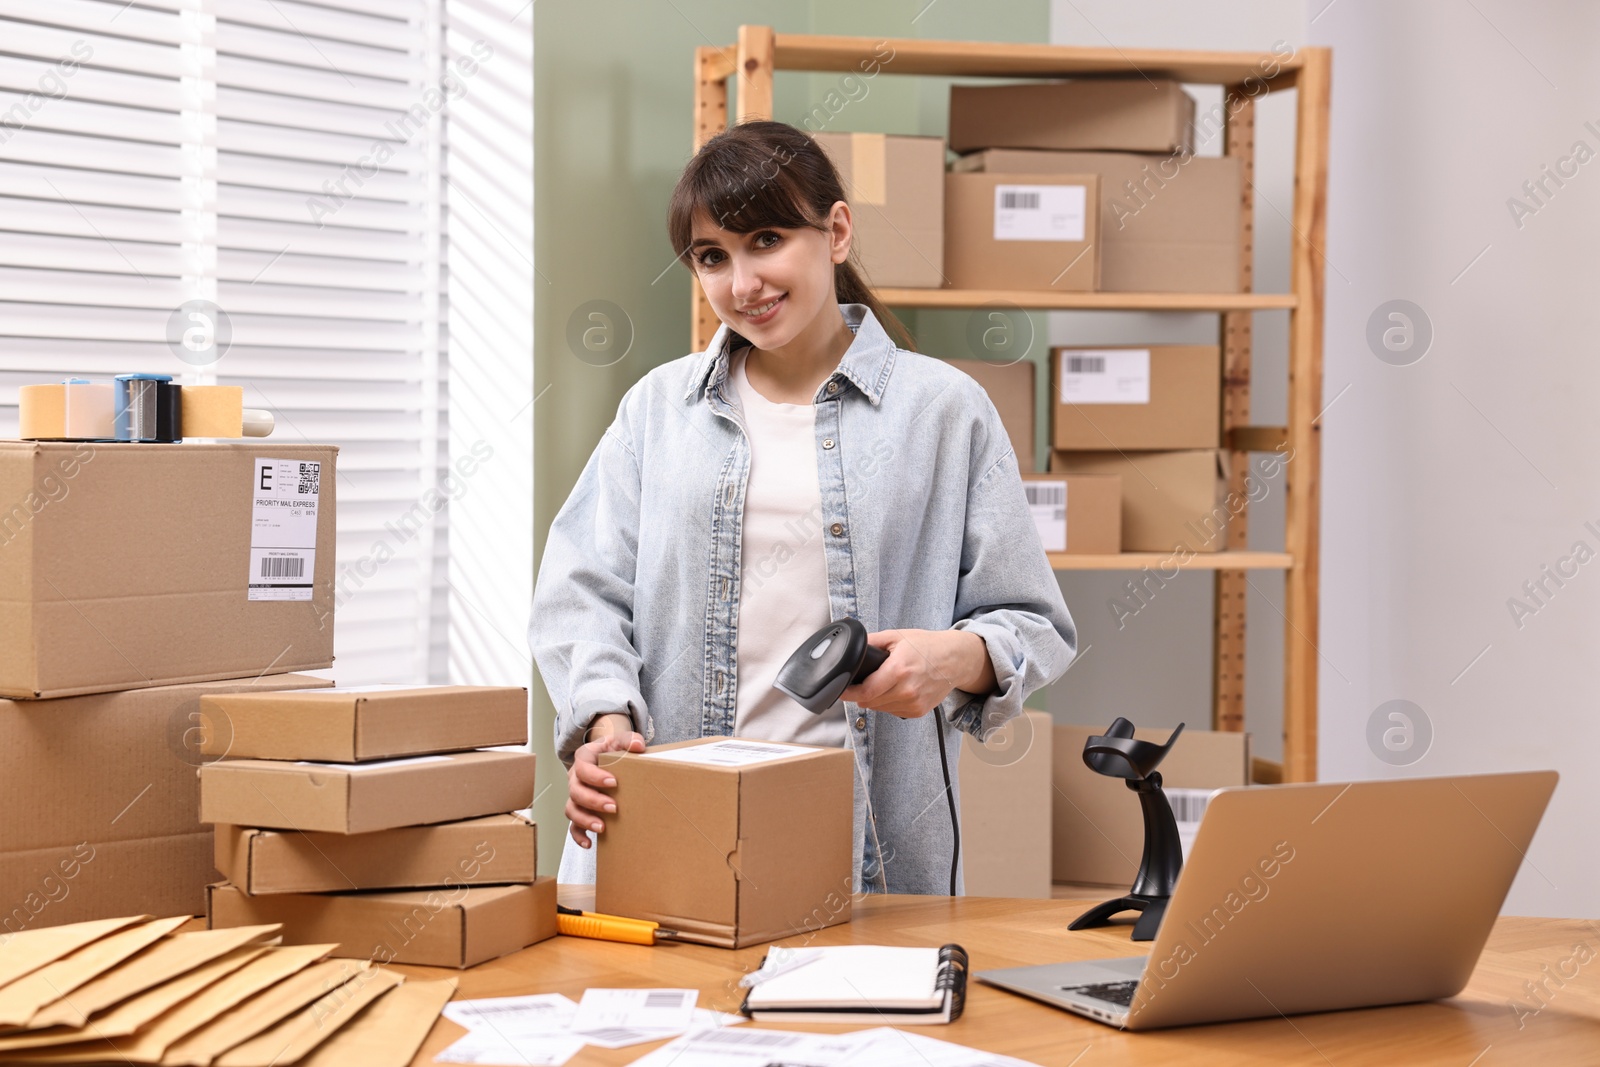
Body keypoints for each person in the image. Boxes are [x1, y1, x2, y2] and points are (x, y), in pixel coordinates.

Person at [529, 119, 1076, 896]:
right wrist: (605, 723)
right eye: (712, 256)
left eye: (767, 239)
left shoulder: (945, 412)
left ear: (837, 231)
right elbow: (579, 591)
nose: (741, 284)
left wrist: (951, 659)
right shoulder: (659, 408)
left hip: (868, 855)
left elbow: (1032, 622)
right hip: (668, 829)